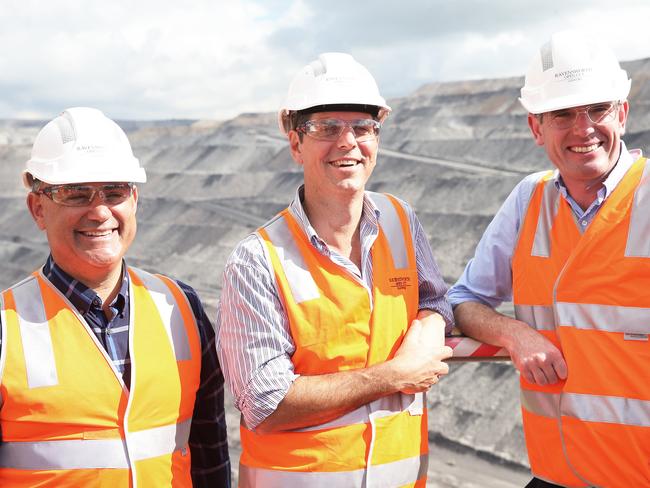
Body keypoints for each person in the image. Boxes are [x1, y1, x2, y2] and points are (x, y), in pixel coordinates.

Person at [217, 53, 453, 487]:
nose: (348, 142)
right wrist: (395, 376)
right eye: (327, 129)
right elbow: (264, 405)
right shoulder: (258, 260)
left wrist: (427, 331)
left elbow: (434, 298)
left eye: (362, 128)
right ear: (295, 144)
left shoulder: (400, 220)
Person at [448, 30, 650, 488]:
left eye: (597, 108)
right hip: (559, 474)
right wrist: (513, 334)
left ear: (621, 112)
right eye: (562, 114)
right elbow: (465, 299)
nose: (583, 128)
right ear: (536, 128)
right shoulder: (528, 200)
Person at [0, 107, 231, 487]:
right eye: (76, 194)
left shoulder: (180, 308)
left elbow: (210, 459)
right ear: (38, 208)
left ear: (134, 199)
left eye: (114, 191)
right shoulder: (6, 329)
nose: (100, 210)